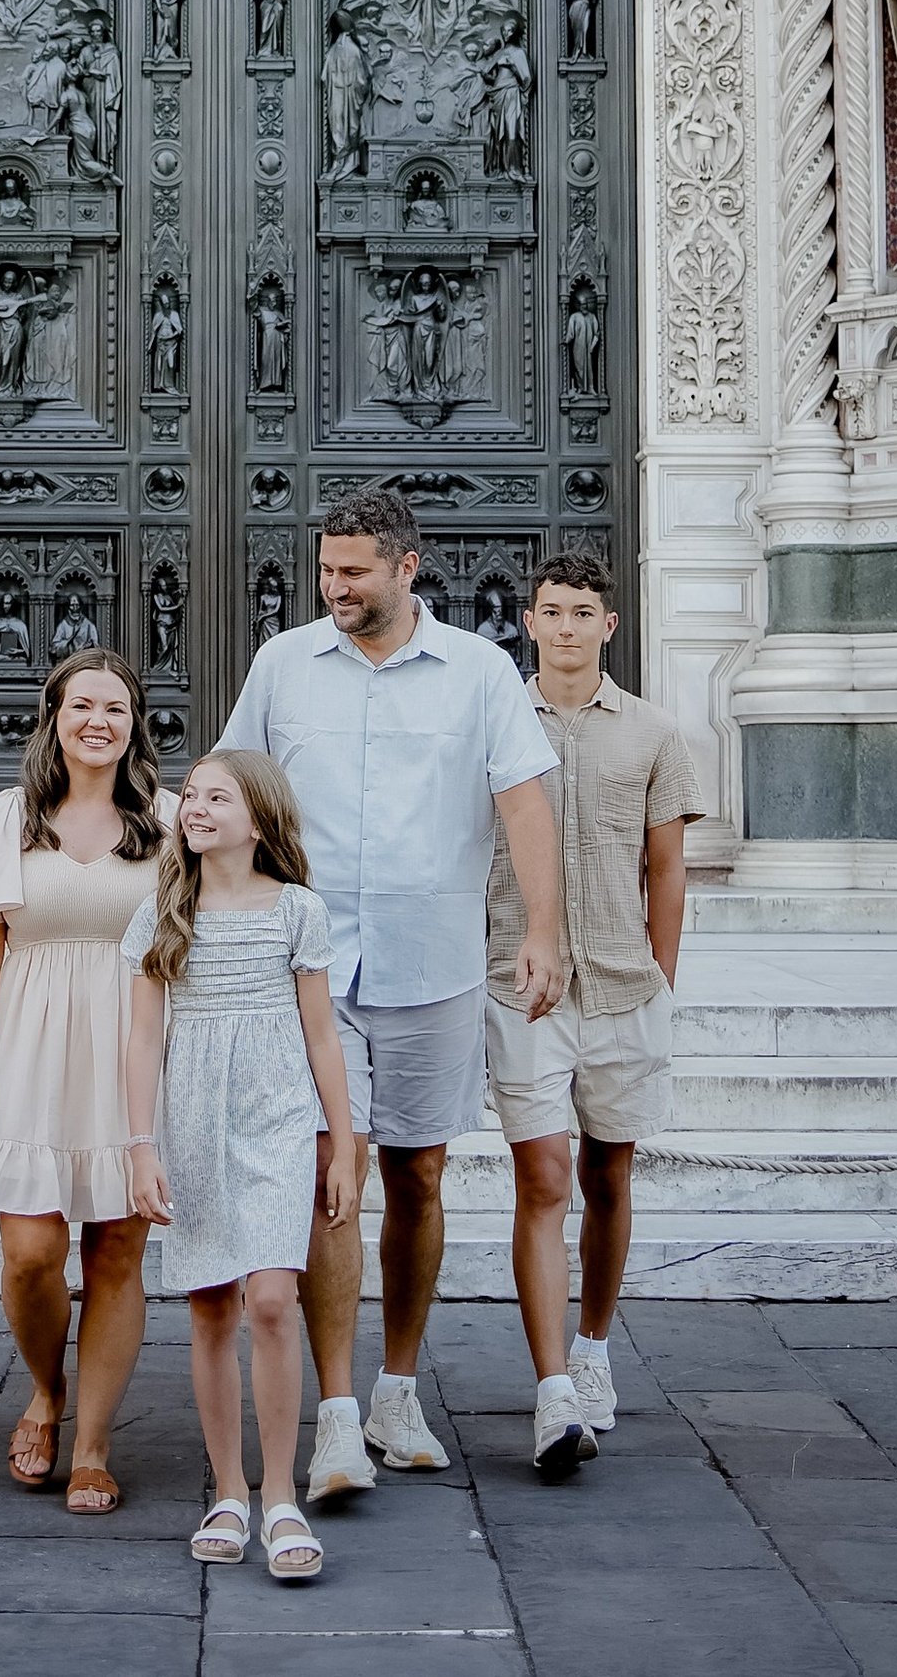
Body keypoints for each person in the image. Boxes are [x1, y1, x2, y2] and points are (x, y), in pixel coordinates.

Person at [218, 483, 563, 1504]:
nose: (333, 587)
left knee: (415, 1175)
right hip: (310, 968)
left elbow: (522, 801)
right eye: (326, 569)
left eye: (353, 571)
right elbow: (235, 783)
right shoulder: (285, 662)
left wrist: (541, 930)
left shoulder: (480, 672)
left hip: (434, 959)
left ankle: (396, 1387)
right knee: (333, 1168)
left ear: (406, 569)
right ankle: (331, 1414)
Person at [486, 550, 707, 1478]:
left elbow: (666, 868)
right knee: (543, 1177)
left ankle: (595, 1348)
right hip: (521, 985)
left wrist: (660, 976)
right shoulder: (494, 725)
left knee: (609, 1176)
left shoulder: (653, 733)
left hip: (623, 987)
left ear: (608, 627)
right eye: (551, 611)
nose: (567, 626)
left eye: (583, 612)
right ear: (528, 623)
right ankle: (551, 1391)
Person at [125, 753, 358, 1585]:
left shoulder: (297, 910)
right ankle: (228, 1490)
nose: (195, 807)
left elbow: (323, 1034)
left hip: (277, 1118)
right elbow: (144, 1039)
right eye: (190, 795)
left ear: (259, 821)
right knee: (212, 1307)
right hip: (191, 1121)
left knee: (271, 1297)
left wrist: (346, 1139)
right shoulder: (164, 912)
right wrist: (140, 1146)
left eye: (217, 797)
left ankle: (281, 1496)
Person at [0, 653, 164, 1512]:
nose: (97, 721)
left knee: (116, 1251)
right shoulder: (10, 818)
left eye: (115, 706)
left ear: (135, 722)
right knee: (31, 1253)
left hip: (130, 1047)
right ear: (55, 716)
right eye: (82, 705)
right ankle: (46, 1388)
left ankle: (96, 1445)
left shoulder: (170, 818)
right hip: (27, 1046)